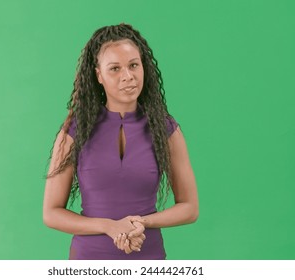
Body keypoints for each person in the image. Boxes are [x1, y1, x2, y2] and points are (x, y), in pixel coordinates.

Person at [43, 23, 198, 260]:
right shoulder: (75, 130)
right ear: (99, 75)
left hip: (149, 263)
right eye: (115, 68)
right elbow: (51, 213)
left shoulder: (165, 129)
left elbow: (189, 207)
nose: (128, 76)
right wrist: (109, 226)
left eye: (134, 65)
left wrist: (142, 222)